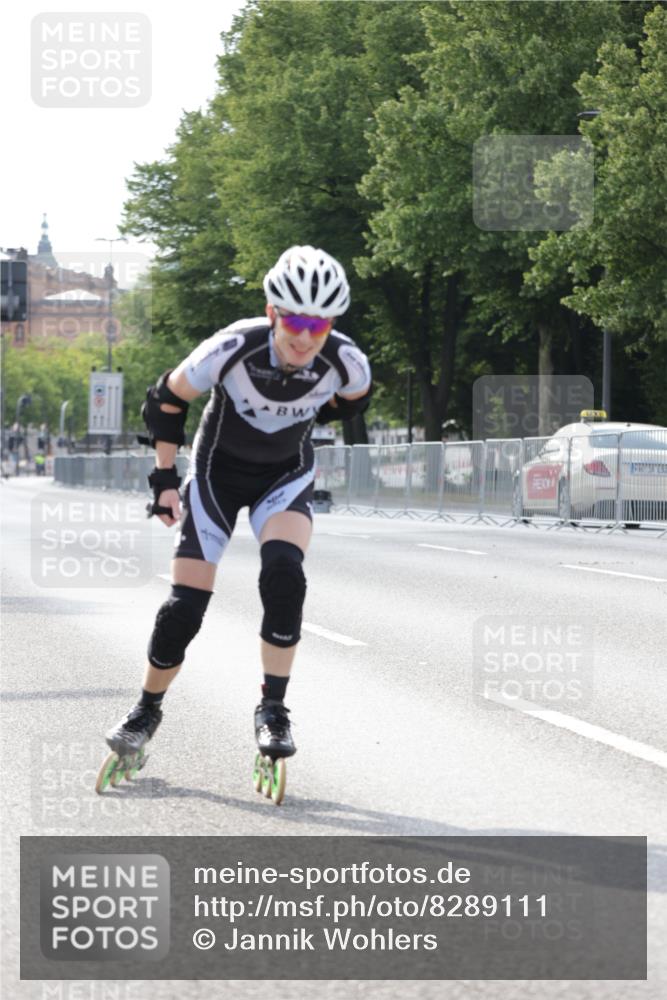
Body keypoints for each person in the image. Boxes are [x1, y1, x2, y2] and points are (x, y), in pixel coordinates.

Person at [104, 246, 372, 773]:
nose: (303, 336)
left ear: (332, 324)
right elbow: (166, 399)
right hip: (215, 477)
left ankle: (273, 709)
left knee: (284, 576)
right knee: (185, 607)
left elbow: (351, 404)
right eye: (293, 319)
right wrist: (163, 479)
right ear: (272, 312)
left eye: (317, 325)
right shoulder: (233, 346)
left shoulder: (348, 364)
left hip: (284, 477)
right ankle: (145, 710)